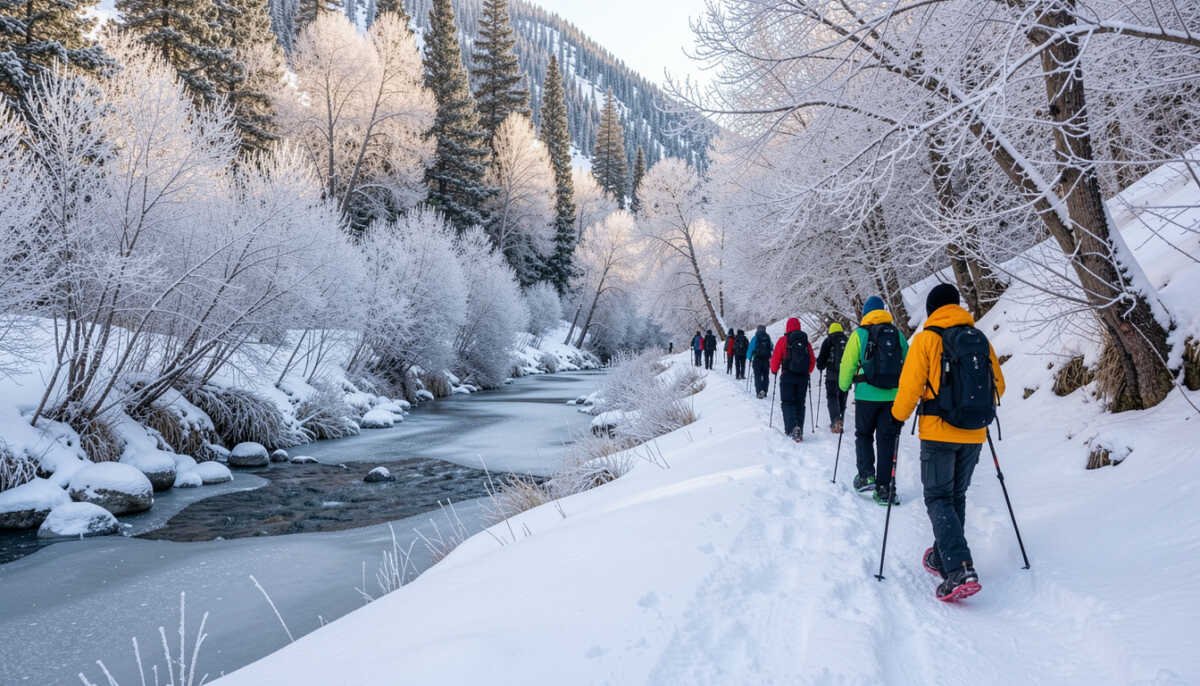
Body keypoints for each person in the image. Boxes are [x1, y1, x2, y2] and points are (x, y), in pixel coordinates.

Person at [891, 284, 1006, 602]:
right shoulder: (979, 339)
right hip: (973, 433)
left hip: (938, 432)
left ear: (931, 310)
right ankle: (943, 557)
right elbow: (1000, 385)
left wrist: (897, 417)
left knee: (939, 498)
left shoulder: (926, 339)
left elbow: (910, 386)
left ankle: (959, 569)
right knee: (955, 496)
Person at [839, 295, 909, 506]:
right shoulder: (897, 334)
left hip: (865, 396)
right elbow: (908, 363)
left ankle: (866, 475)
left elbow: (847, 364)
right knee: (886, 440)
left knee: (864, 434)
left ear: (865, 314)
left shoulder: (859, 334)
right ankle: (885, 488)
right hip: (892, 397)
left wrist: (843, 387)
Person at [769, 317, 816, 442]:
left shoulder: (783, 341)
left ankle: (792, 428)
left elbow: (775, 359)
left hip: (787, 377)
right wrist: (807, 371)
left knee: (788, 402)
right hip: (803, 378)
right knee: (800, 403)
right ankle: (799, 428)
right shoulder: (806, 342)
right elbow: (812, 360)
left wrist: (774, 370)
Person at [816, 322, 850, 433]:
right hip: (846, 375)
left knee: (832, 397)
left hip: (832, 375)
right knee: (842, 397)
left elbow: (821, 359)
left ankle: (835, 420)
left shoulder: (828, 341)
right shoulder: (847, 340)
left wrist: (820, 366)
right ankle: (840, 418)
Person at [746, 325, 773, 398]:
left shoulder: (755, 338)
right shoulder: (768, 337)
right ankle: (765, 391)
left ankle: (759, 391)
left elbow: (750, 349)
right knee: (765, 376)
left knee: (757, 376)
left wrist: (749, 357)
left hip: (757, 360)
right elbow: (771, 347)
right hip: (766, 360)